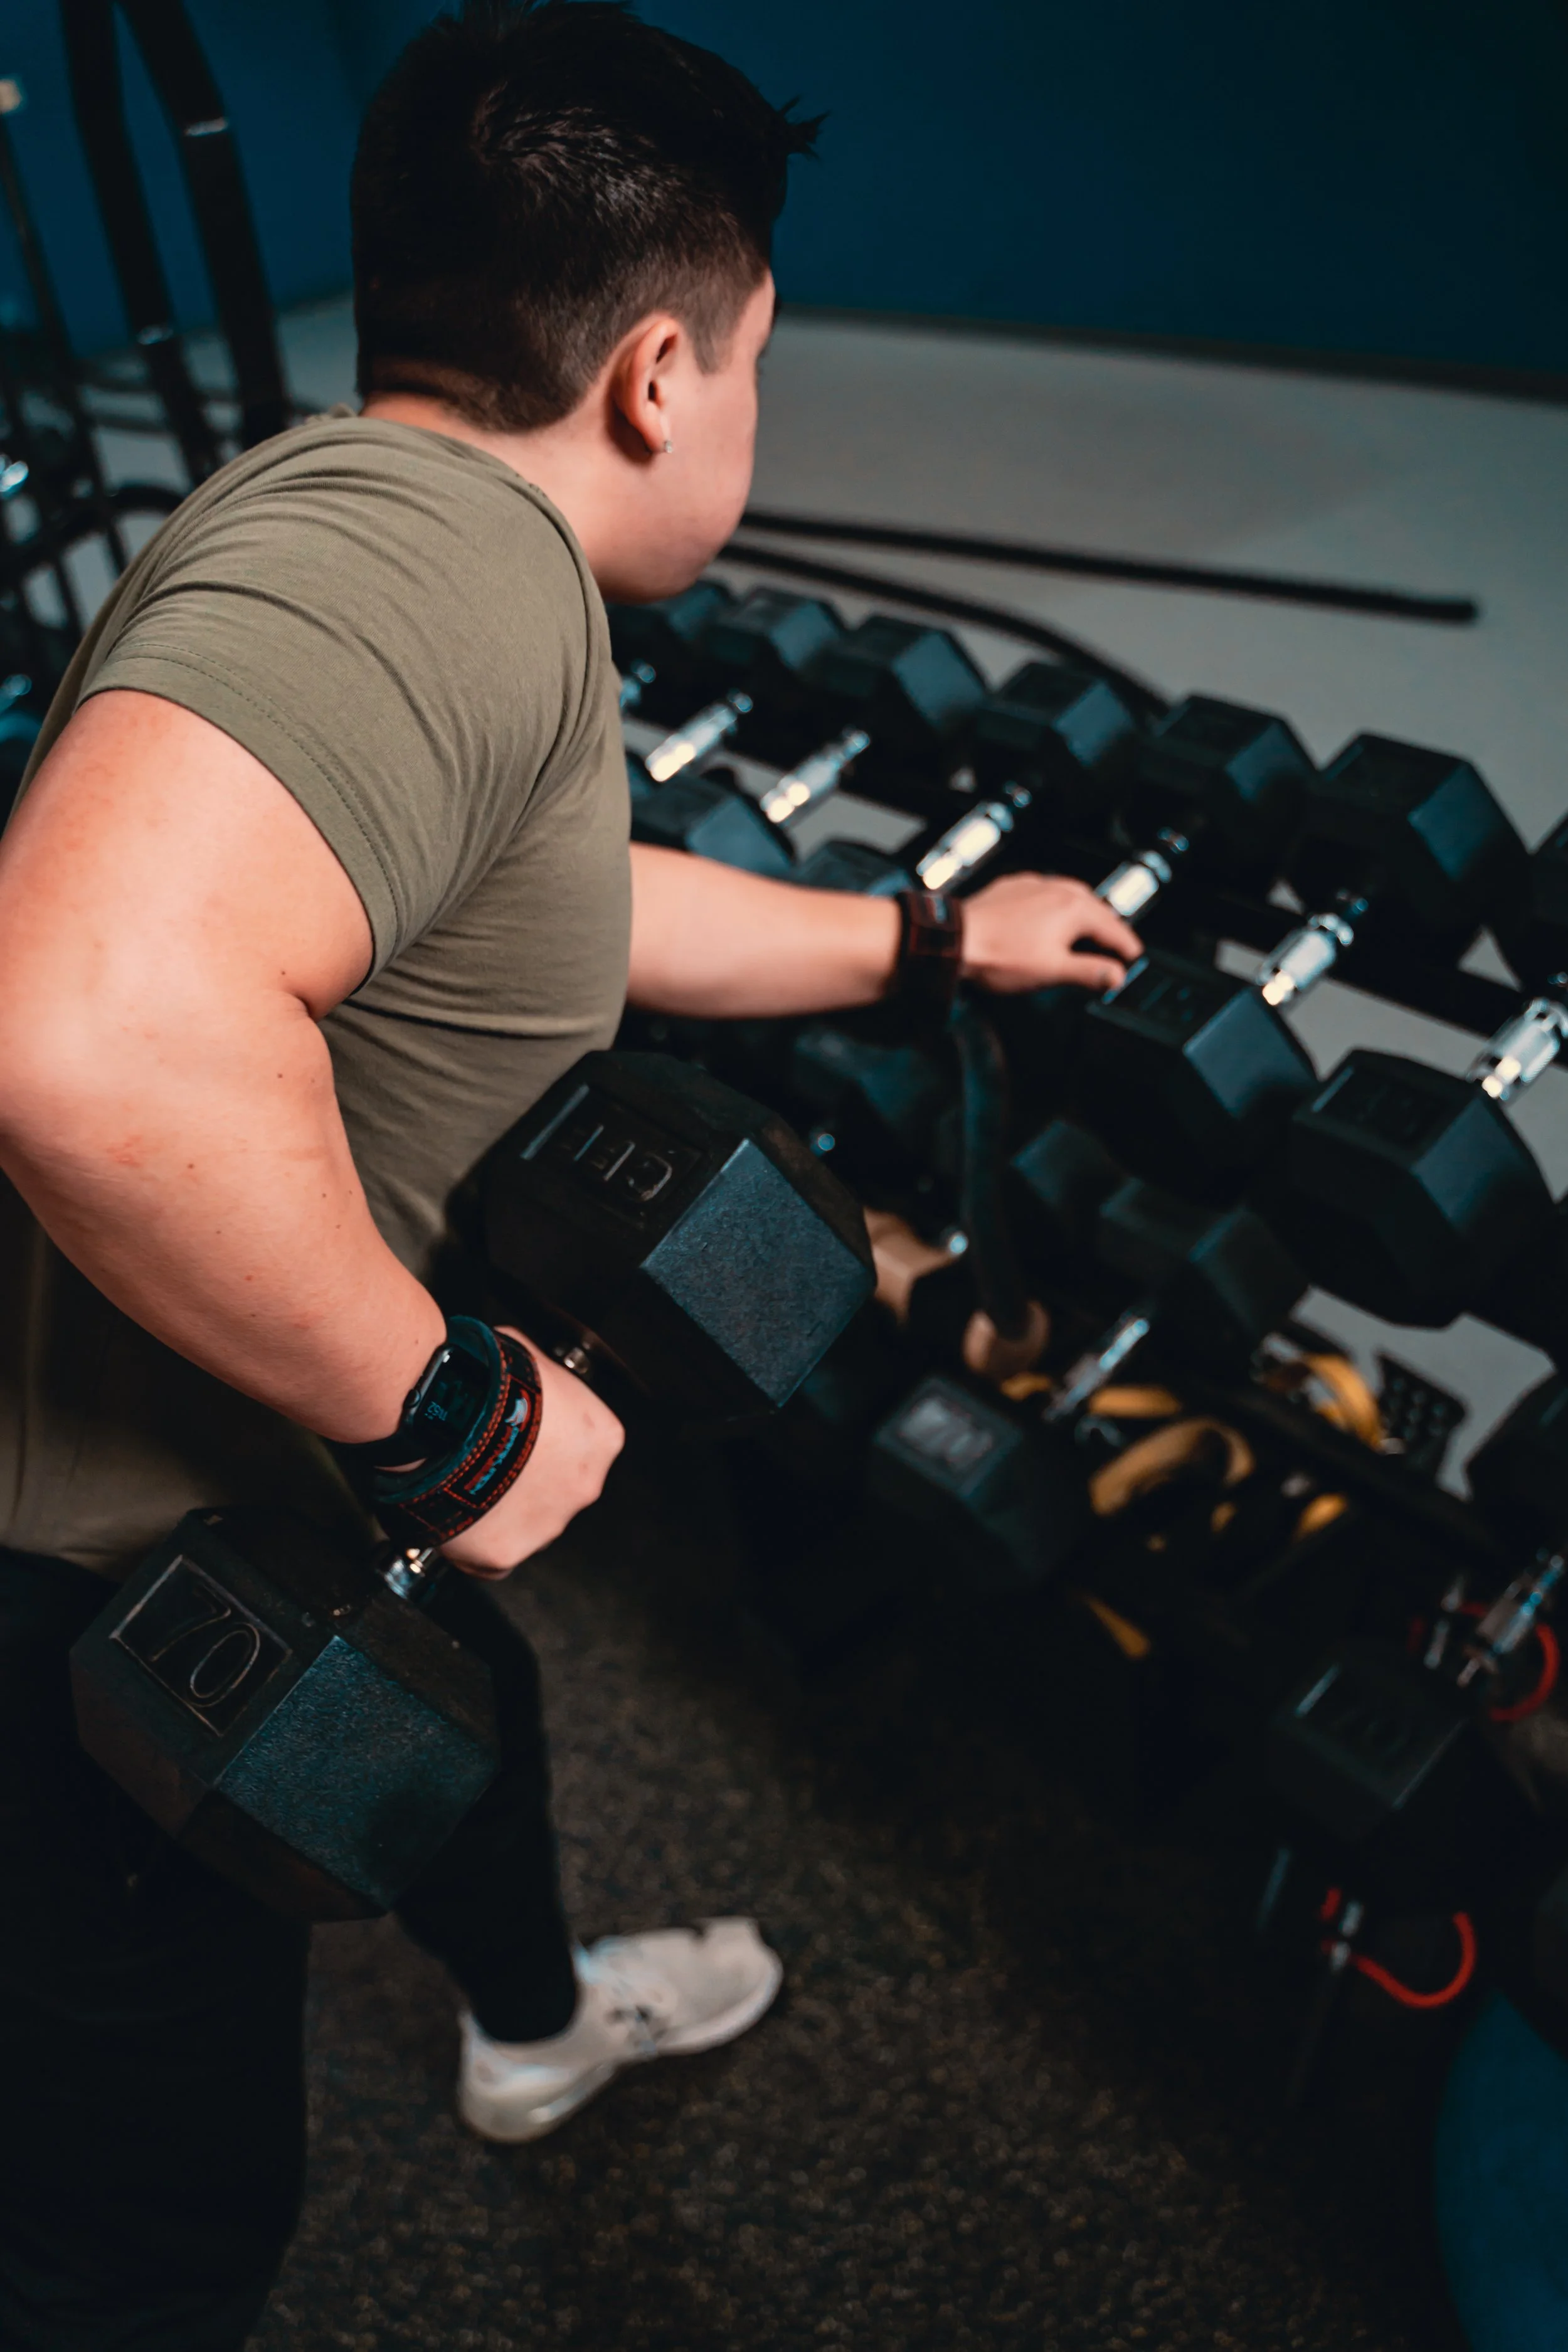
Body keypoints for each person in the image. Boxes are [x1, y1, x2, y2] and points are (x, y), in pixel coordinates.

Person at [0, 4, 1143, 2344]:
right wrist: (453, 1410)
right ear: (652, 375)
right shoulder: (441, 574)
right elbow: (81, 1032)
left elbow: (569, 896)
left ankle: (529, 2026)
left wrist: (925, 937)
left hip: (228, 1514)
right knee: (150, 2239)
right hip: (86, 1598)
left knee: (468, 1706)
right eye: (751, 368)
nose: (740, 413)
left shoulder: (381, 518)